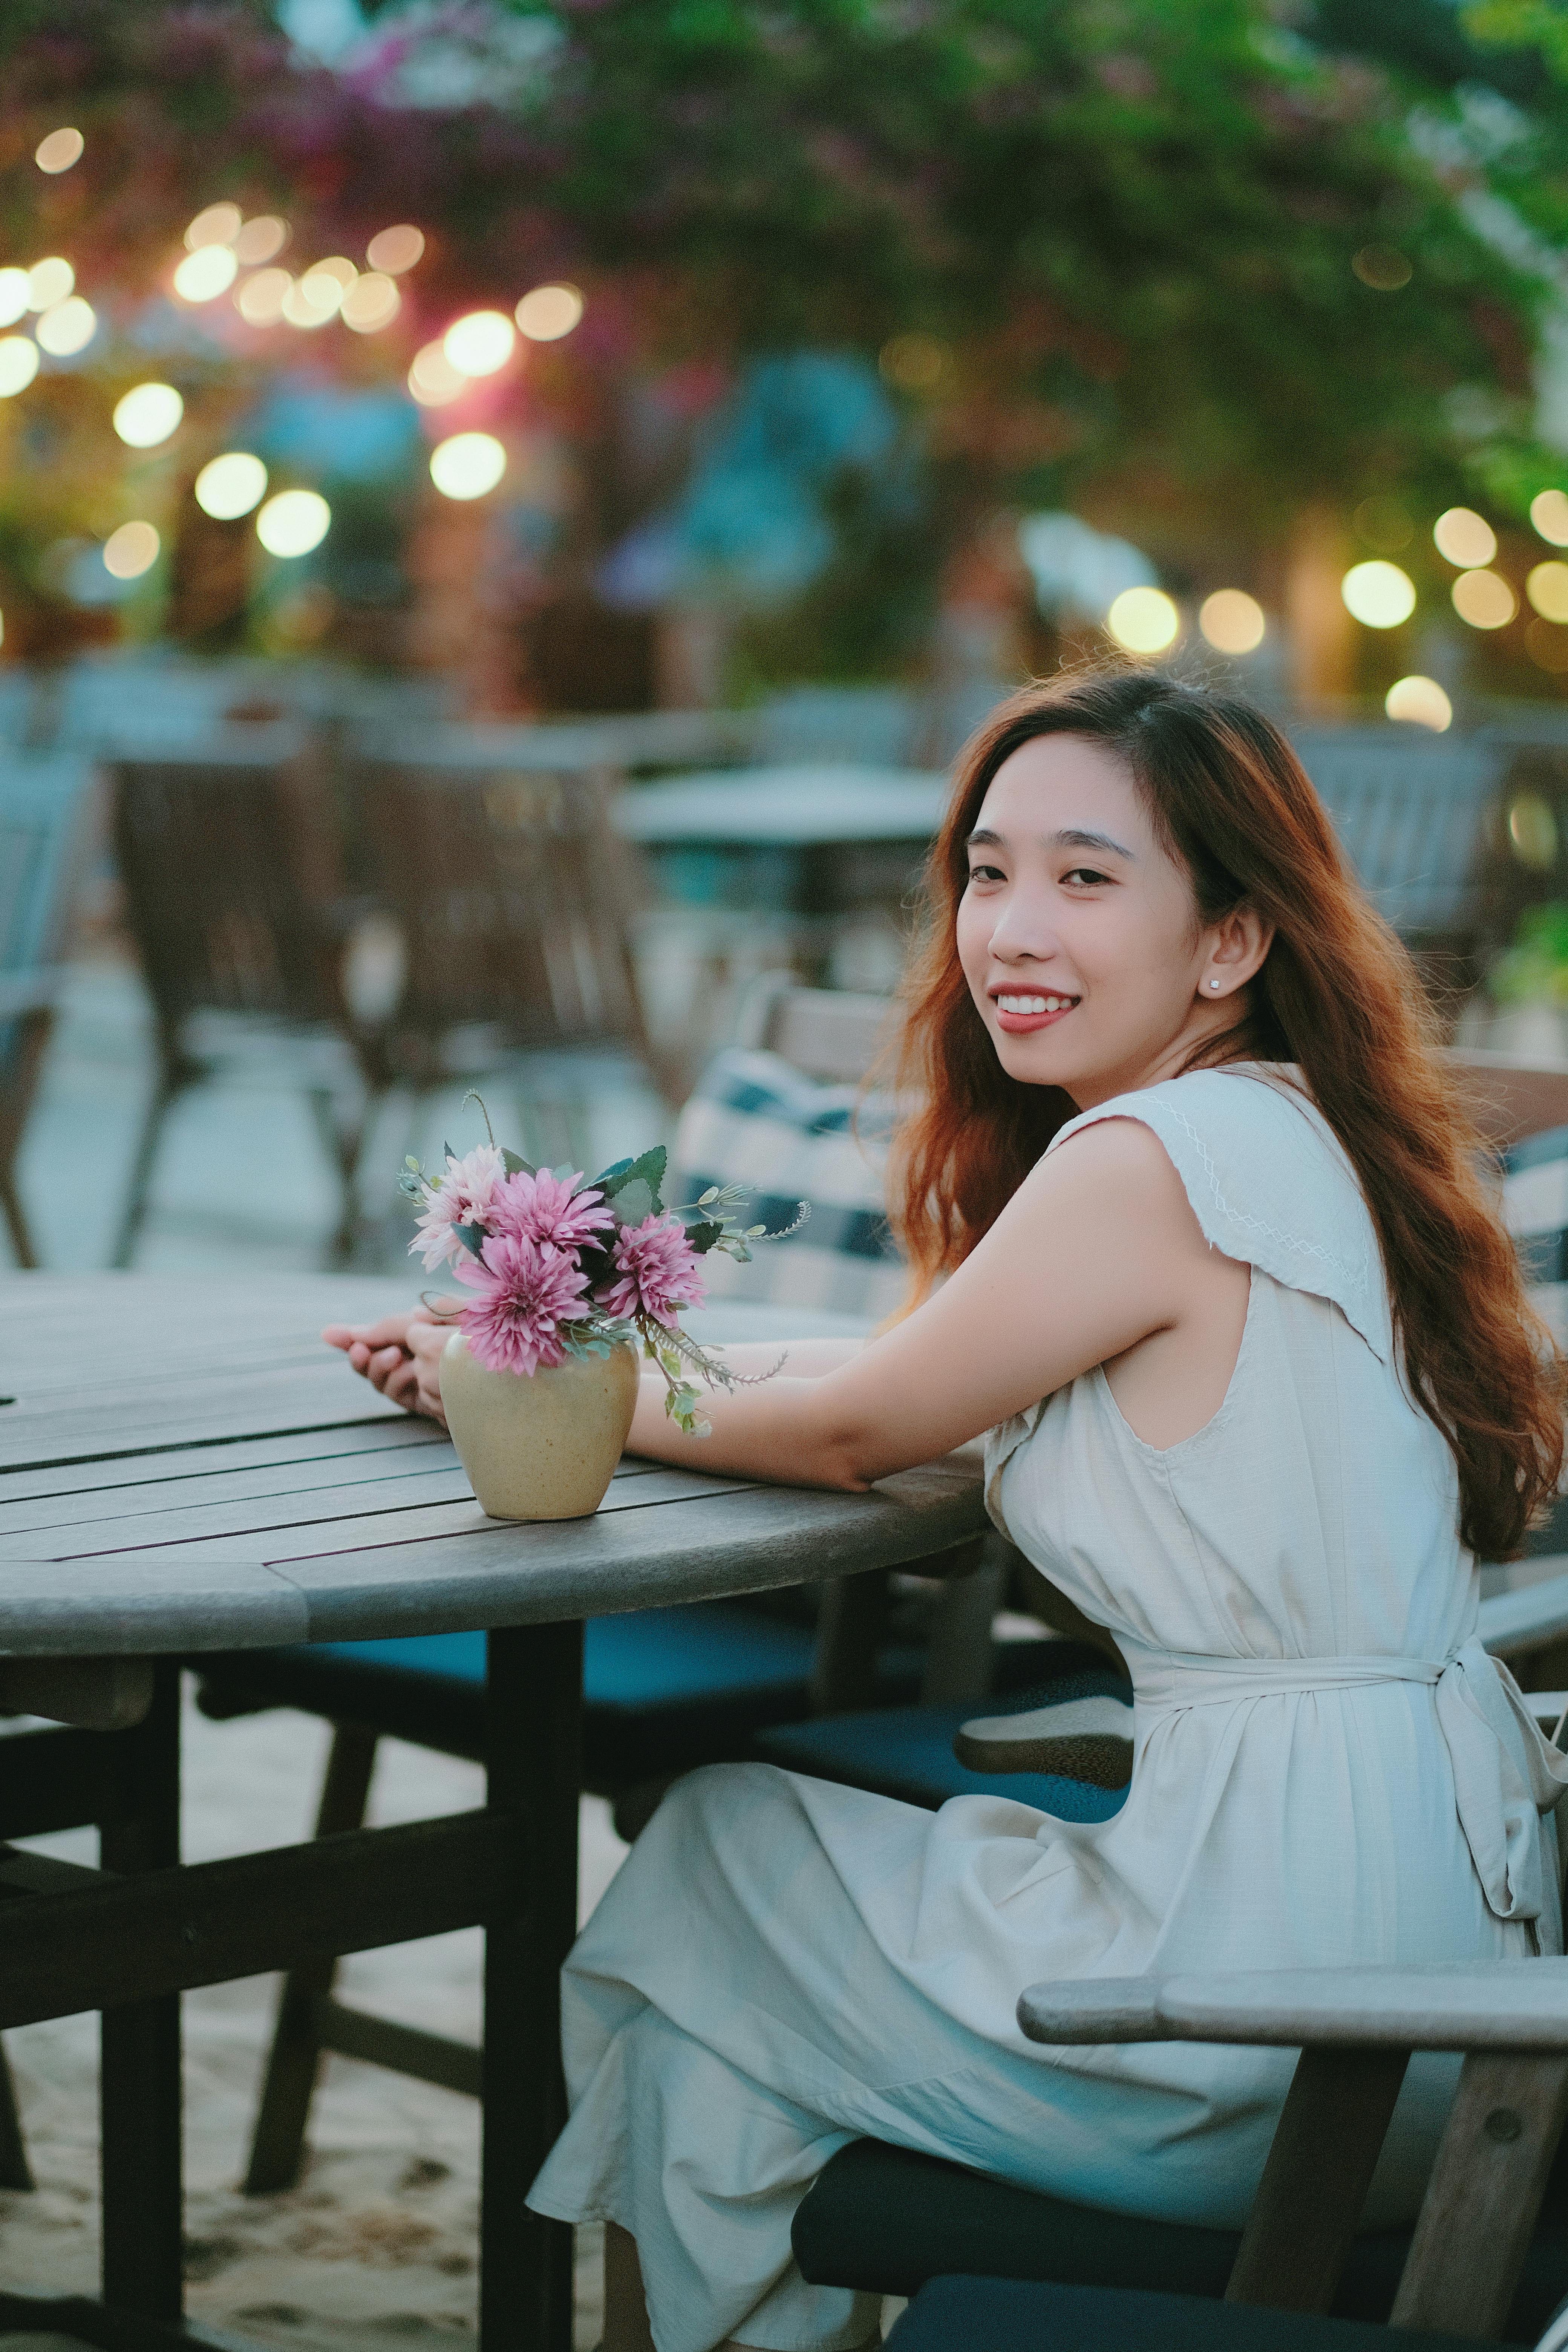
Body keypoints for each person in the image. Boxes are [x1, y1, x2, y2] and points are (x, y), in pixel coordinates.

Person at [327, 670, 1568, 2352]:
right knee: (736, 1899)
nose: (1008, 929)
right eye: (986, 873)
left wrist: (560, 1388)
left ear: (1230, 941)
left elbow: (854, 1428)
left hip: (1277, 2005)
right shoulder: (1295, 1134)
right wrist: (539, 1335)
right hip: (1449, 1967)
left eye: (1083, 876)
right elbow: (896, 1365)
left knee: (706, 1869)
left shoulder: (1152, 1158)